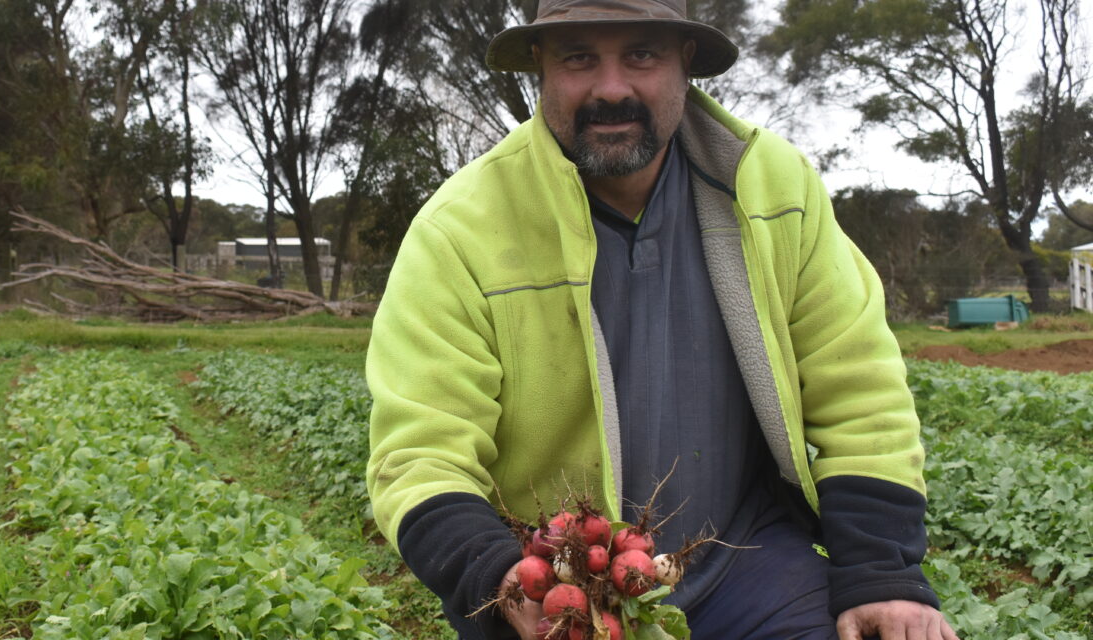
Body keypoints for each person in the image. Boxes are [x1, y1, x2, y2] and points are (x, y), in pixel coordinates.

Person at [365, 1, 959, 638]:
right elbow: (422, 451)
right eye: (578, 57)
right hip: (569, 589)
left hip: (751, 569)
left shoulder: (776, 191)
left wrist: (883, 574)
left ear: (688, 61)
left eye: (642, 54)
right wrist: (504, 577)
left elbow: (860, 387)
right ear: (539, 65)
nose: (611, 87)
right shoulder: (459, 230)